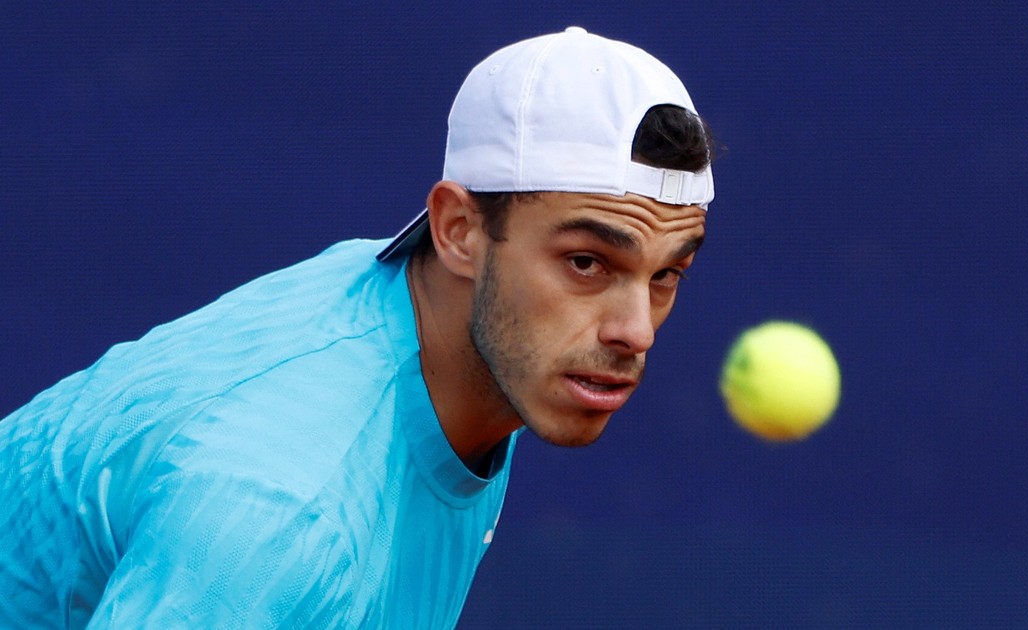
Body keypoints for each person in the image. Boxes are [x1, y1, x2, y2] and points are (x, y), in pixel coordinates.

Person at [0, 26, 714, 628]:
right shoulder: (279, 519)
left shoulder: (458, 329)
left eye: (666, 275)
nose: (636, 331)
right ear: (458, 231)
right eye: (587, 263)